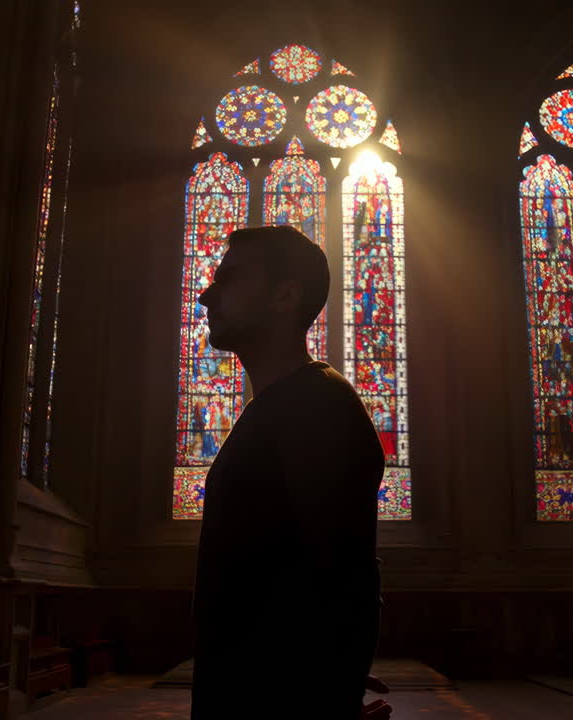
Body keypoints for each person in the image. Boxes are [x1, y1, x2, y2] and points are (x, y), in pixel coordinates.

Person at [191, 225, 392, 719]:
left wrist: (327, 694)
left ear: (285, 295)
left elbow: (344, 579)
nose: (205, 294)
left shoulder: (319, 407)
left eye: (229, 279)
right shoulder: (284, 407)